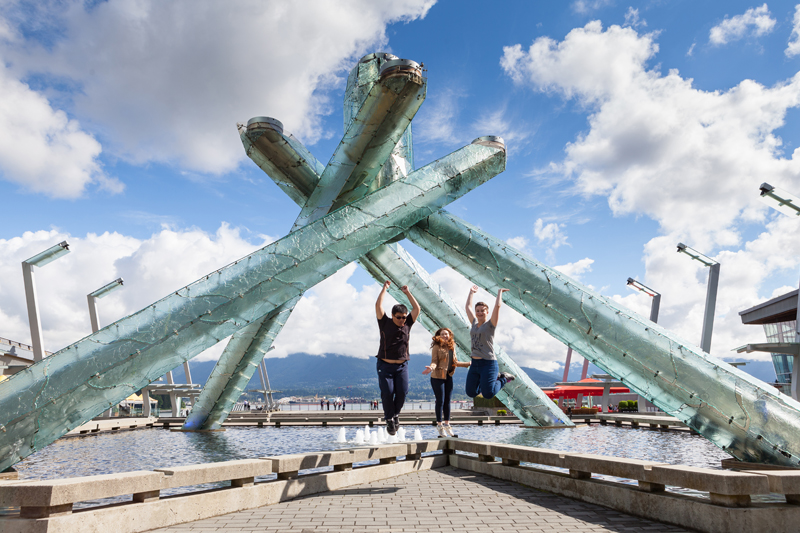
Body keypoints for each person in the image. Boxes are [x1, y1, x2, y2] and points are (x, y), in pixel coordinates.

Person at [375, 280, 421, 436]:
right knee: (387, 392)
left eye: (404, 317)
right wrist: (384, 289)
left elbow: (417, 308)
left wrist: (407, 292)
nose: (402, 320)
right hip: (385, 365)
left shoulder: (408, 324)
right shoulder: (384, 322)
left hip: (402, 366)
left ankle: (395, 415)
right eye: (399, 317)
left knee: (402, 392)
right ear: (393, 316)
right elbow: (378, 306)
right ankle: (389, 419)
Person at [464, 285, 515, 400]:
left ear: (487, 312)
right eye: (478, 311)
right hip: (475, 364)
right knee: (471, 392)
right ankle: (487, 381)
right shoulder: (474, 323)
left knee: (488, 394)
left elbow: (497, 306)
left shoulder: (490, 325)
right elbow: (468, 307)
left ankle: (503, 378)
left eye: (483, 311)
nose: (480, 312)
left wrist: (499, 292)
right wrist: (471, 292)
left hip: (488, 363)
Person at [423, 327, 470, 438]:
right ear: (439, 335)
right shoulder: (436, 347)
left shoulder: (451, 347)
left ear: (450, 335)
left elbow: (455, 363)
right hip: (437, 376)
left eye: (447, 334)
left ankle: (447, 425)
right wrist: (431, 367)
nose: (445, 335)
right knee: (440, 401)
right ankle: (440, 426)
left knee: (448, 401)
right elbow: (434, 361)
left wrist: (468, 363)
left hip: (448, 376)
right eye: (443, 334)